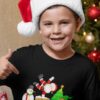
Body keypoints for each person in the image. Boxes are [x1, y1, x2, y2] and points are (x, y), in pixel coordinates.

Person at [0, 0, 99, 100]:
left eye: (64, 23)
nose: (56, 31)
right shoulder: (21, 59)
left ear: (77, 24)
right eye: (48, 24)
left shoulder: (86, 68)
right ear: (39, 27)